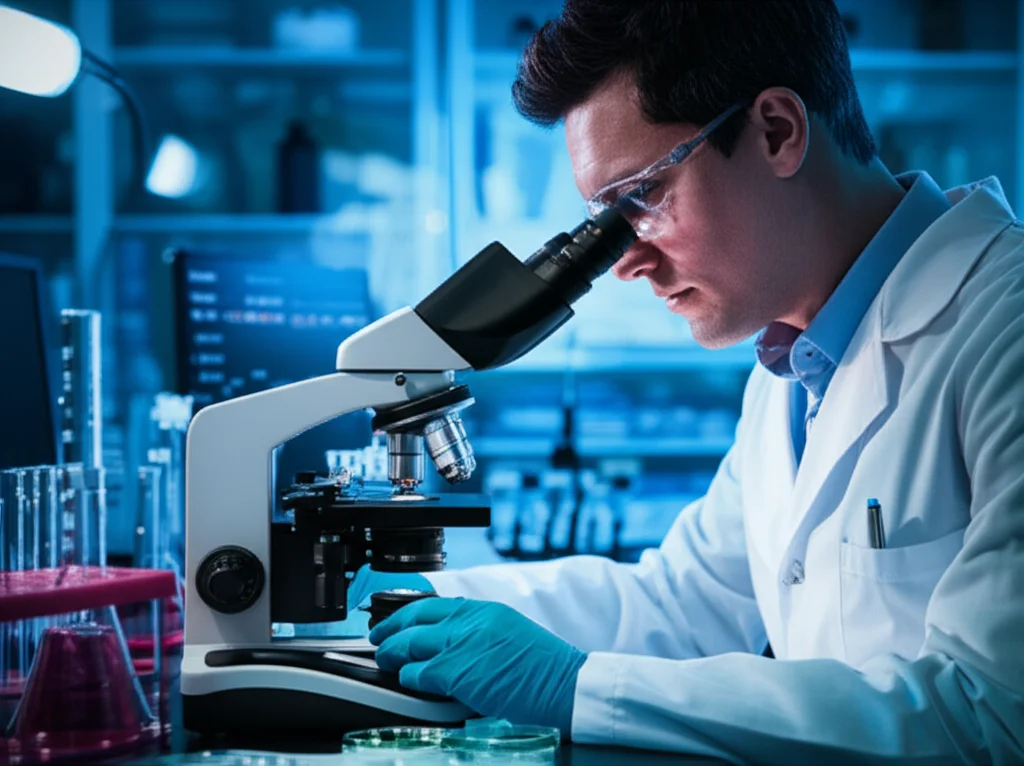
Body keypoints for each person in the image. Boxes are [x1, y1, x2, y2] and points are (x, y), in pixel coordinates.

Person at [355, 1, 1024, 760]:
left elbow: (993, 716)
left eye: (640, 198)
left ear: (777, 130)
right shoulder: (793, 363)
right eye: (602, 220)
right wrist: (414, 605)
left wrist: (574, 687)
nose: (624, 260)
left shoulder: (1005, 329)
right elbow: (687, 602)